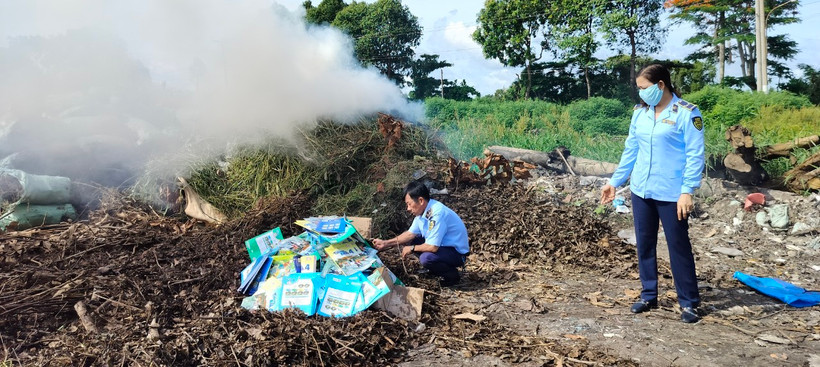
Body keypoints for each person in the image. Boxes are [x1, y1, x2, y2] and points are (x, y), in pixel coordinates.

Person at [600, 64, 705, 324]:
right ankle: (649, 295)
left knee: (678, 246)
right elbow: (631, 150)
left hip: (672, 194)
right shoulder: (641, 114)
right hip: (641, 190)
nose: (640, 94)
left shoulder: (687, 113)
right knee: (644, 244)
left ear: (661, 85)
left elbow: (695, 155)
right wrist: (614, 181)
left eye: (644, 88)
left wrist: (687, 191)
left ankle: (689, 303)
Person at [372, 181, 469, 286]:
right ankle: (436, 269)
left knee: (426, 258)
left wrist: (412, 248)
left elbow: (433, 247)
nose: (408, 209)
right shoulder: (422, 212)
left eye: (409, 204)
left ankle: (452, 276)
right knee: (410, 240)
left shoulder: (436, 214)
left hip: (456, 253)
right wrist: (385, 243)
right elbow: (409, 234)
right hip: (443, 246)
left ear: (421, 200)